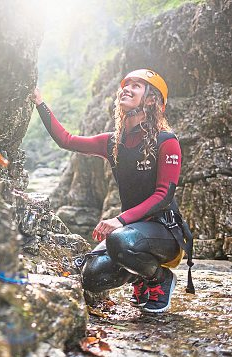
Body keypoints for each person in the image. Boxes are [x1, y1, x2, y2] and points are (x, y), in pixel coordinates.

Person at [30, 69, 194, 313]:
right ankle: (139, 277)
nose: (126, 88)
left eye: (136, 86)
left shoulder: (166, 141)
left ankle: (160, 279)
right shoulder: (112, 142)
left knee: (119, 239)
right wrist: (40, 103)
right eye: (126, 85)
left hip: (165, 234)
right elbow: (66, 140)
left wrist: (119, 220)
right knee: (92, 275)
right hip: (131, 232)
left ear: (151, 99)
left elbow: (163, 196)